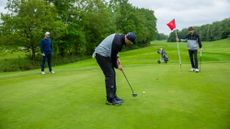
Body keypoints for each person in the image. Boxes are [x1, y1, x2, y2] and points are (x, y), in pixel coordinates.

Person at [93, 32, 136, 105]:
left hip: (106, 55)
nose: (130, 44)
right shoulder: (118, 42)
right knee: (110, 75)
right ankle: (110, 99)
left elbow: (114, 52)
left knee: (112, 74)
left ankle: (114, 96)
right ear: (127, 39)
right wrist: (117, 66)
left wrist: (118, 59)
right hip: (101, 55)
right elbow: (113, 58)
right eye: (130, 42)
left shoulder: (121, 38)